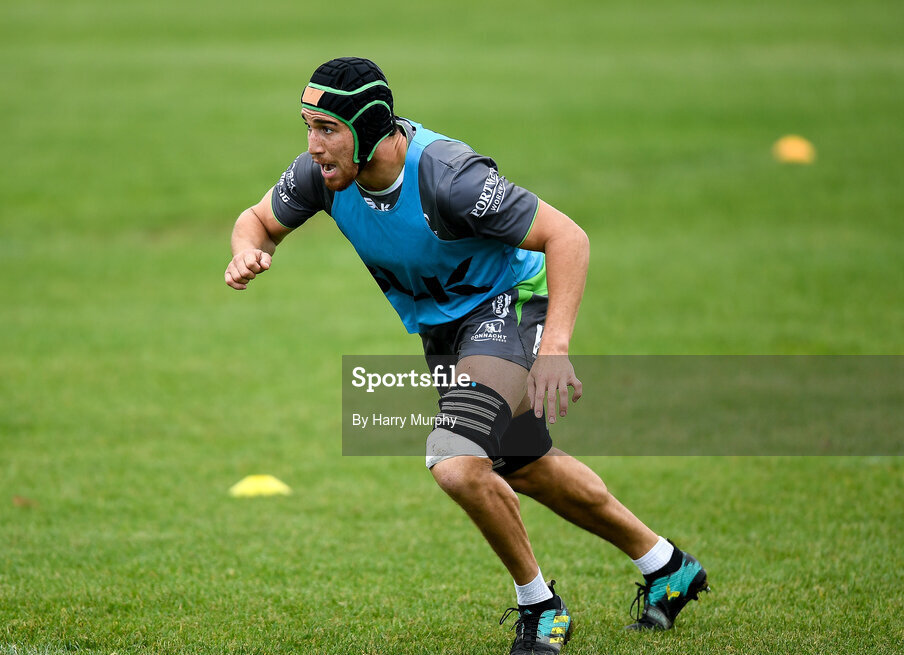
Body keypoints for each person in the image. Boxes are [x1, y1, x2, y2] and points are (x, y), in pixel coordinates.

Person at [226, 57, 709, 654]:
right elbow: (256, 221)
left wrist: (555, 346)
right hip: (447, 331)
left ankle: (541, 608)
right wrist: (246, 252)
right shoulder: (321, 177)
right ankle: (669, 567)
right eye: (308, 126)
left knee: (456, 462)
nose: (313, 146)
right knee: (524, 465)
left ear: (371, 130)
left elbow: (568, 237)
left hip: (508, 305)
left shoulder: (451, 179)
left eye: (328, 129)